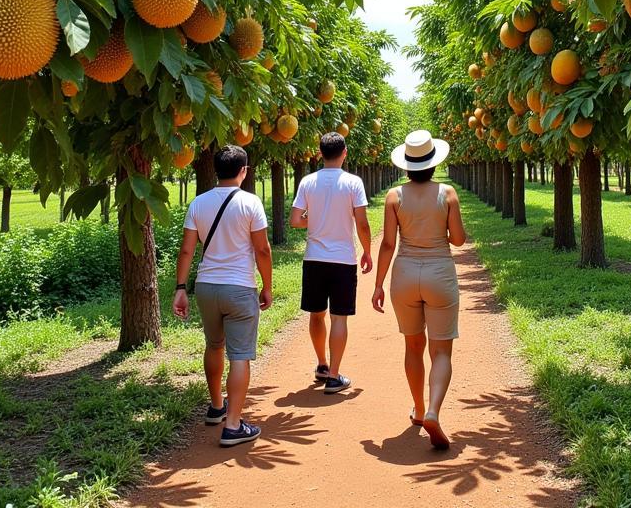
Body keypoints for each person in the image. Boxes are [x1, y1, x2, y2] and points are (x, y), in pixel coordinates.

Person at [173, 144, 273, 449]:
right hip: (240, 288)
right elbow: (263, 249)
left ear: (216, 170)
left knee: (214, 345)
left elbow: (187, 249)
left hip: (207, 287)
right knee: (239, 355)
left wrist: (180, 288)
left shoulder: (198, 203)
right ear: (243, 171)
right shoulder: (250, 202)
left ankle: (216, 406)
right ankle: (233, 425)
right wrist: (267, 285)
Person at [372, 129, 466, 450]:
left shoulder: (394, 197)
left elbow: (387, 243)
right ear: (434, 163)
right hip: (440, 271)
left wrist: (378, 285)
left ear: (407, 166)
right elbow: (459, 239)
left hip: (405, 273)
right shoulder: (448, 193)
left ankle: (417, 407)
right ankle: (433, 411)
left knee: (413, 347)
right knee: (441, 351)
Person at [289, 131, 372, 394]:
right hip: (342, 259)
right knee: (339, 318)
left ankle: (322, 365)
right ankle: (334, 376)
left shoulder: (307, 182)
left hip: (314, 257)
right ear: (345, 153)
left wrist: (311, 221)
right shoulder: (353, 182)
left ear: (319, 153)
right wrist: (367, 251)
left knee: (316, 314)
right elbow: (362, 222)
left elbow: (294, 220)